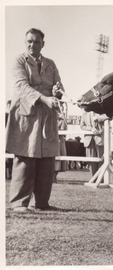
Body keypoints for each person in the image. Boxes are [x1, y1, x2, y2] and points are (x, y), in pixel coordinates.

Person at [6, 28, 64, 212]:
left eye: (36, 42)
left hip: (47, 115)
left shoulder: (51, 64)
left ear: (43, 44)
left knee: (47, 159)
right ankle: (18, 203)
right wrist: (45, 99)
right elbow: (21, 85)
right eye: (29, 42)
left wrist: (57, 92)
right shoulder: (19, 61)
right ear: (25, 43)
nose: (32, 45)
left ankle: (41, 203)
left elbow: (59, 87)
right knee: (25, 157)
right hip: (26, 114)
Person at [80, 111, 108, 176]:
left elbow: (107, 119)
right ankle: (93, 178)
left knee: (101, 159)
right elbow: (82, 126)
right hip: (89, 139)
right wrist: (91, 129)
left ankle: (101, 178)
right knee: (91, 160)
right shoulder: (85, 113)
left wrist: (98, 119)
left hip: (100, 138)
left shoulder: (101, 110)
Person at [53, 106, 68, 182]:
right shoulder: (51, 117)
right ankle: (52, 176)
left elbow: (64, 130)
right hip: (52, 141)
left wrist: (63, 120)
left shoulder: (63, 120)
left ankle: (54, 176)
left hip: (60, 141)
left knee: (59, 158)